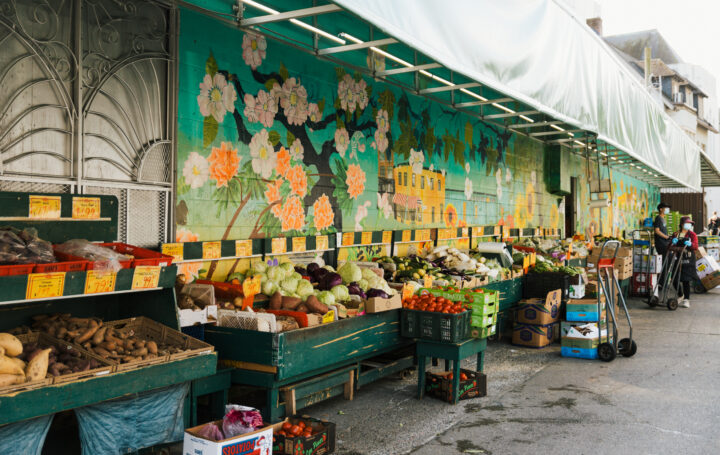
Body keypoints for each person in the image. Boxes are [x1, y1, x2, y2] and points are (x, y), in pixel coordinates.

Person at [670, 216, 699, 308]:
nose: (689, 225)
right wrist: (672, 242)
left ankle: (686, 299)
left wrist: (691, 244)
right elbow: (670, 246)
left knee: (686, 280)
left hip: (688, 258)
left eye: (690, 223)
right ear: (682, 224)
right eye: (687, 223)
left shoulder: (692, 235)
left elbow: (696, 246)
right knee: (674, 279)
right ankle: (680, 295)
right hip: (678, 258)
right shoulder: (676, 234)